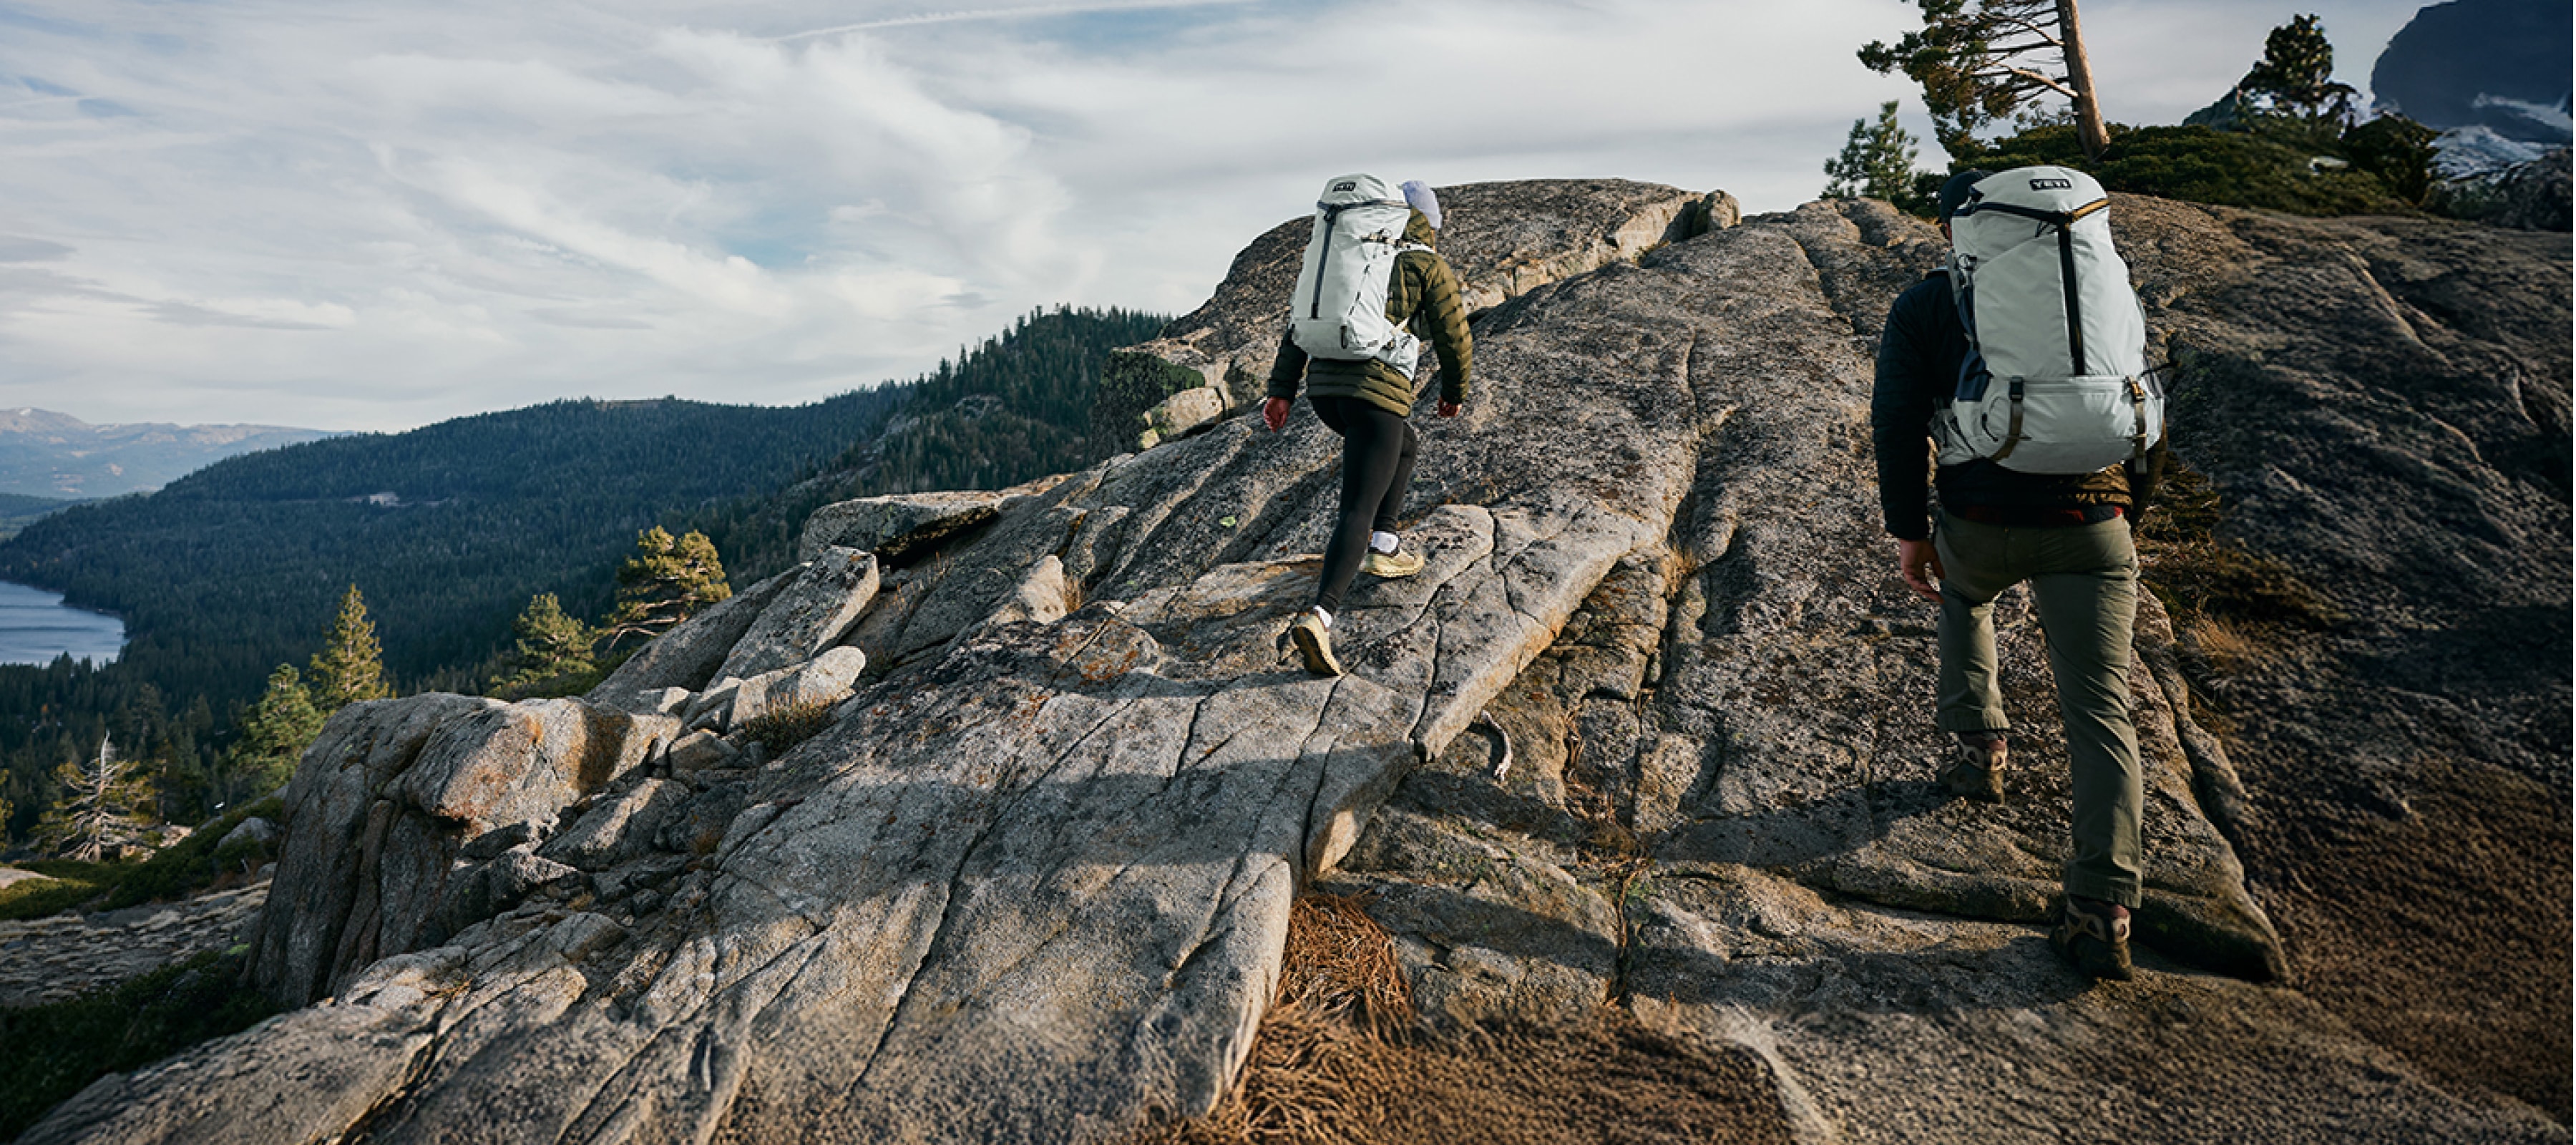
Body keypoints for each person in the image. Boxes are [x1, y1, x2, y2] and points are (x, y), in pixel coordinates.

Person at [1870, 170, 2170, 981]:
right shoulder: (2101, 292)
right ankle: (2103, 909)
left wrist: (1909, 532)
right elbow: (2138, 404)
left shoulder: (1928, 305)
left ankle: (1979, 754)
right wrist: (2124, 514)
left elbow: (1897, 422)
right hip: (2097, 522)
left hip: (1980, 523)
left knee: (1963, 596)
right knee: (2102, 708)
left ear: (1958, 233)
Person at [1264, 179, 1473, 676]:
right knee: (1357, 505)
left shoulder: (1349, 257)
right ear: (1428, 223)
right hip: (1374, 397)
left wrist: (1282, 390)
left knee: (1404, 444)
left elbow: (1300, 321)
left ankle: (1385, 546)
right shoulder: (1427, 262)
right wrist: (1454, 393)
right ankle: (1321, 615)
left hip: (1325, 394)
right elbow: (1454, 336)